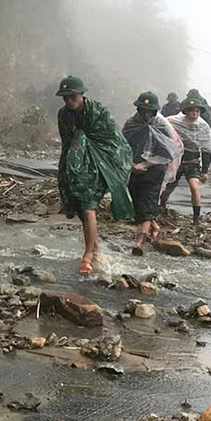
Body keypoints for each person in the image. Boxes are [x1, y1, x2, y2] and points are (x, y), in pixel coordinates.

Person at [55, 75, 135, 275]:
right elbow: (67, 143)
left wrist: (121, 164)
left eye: (72, 96)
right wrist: (67, 168)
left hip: (98, 166)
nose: (68, 101)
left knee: (89, 207)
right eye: (65, 97)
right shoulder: (63, 115)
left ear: (82, 94)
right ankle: (96, 249)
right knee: (83, 210)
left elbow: (113, 139)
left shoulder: (98, 112)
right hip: (76, 166)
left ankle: (87, 256)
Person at [122, 91, 182, 256]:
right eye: (143, 110)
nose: (146, 114)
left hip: (154, 169)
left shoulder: (161, 125)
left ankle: (139, 242)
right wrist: (133, 165)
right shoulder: (131, 123)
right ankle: (153, 226)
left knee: (148, 200)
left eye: (149, 111)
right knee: (137, 201)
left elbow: (168, 151)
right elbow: (122, 146)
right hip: (134, 168)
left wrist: (147, 164)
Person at [161, 91, 211, 224]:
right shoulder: (174, 122)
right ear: (185, 111)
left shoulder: (202, 126)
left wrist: (205, 171)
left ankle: (196, 217)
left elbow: (206, 149)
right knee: (169, 186)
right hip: (178, 160)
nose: (195, 114)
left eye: (197, 111)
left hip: (193, 161)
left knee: (194, 186)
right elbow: (162, 128)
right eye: (192, 111)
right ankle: (162, 205)